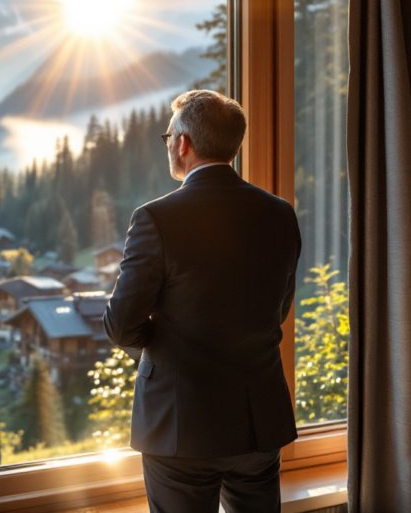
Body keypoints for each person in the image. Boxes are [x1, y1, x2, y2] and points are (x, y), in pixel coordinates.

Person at [103, 89, 300, 513]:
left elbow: (121, 326)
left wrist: (167, 347)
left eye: (168, 135)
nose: (169, 143)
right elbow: (277, 310)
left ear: (183, 143)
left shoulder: (155, 218)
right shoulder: (280, 214)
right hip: (257, 422)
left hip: (180, 426)